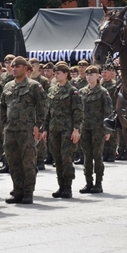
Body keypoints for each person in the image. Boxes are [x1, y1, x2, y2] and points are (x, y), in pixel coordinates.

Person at [0, 57, 47, 204]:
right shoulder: (7, 86)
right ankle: (17, 191)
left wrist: (38, 125)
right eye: (12, 66)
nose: (14, 69)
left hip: (27, 131)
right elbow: (2, 106)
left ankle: (28, 192)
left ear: (26, 69)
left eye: (18, 66)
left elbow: (43, 107)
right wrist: (4, 124)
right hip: (11, 130)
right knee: (13, 162)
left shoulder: (34, 86)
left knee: (28, 163)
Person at [44, 63, 83, 198]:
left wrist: (76, 129)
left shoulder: (73, 91)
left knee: (66, 157)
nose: (56, 74)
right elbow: (48, 112)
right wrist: (45, 129)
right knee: (57, 158)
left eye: (58, 72)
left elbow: (78, 112)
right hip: (54, 129)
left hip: (67, 129)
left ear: (66, 74)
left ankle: (68, 186)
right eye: (55, 72)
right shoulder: (52, 90)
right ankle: (61, 185)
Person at [78, 66, 111, 194]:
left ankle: (98, 182)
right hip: (85, 128)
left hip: (98, 128)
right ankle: (88, 182)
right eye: (87, 75)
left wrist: (108, 130)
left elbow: (108, 111)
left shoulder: (103, 92)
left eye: (92, 75)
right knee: (87, 156)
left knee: (97, 155)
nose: (89, 77)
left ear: (98, 76)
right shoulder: (81, 92)